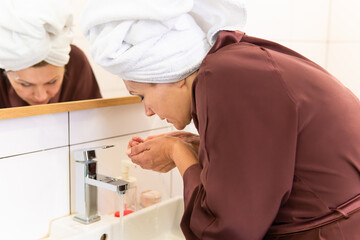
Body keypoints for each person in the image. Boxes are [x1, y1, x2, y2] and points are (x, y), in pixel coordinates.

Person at [81, 0, 360, 239]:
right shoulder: (234, 62)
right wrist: (201, 147)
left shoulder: (224, 77)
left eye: (141, 96)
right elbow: (275, 156)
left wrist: (177, 152)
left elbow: (227, 230)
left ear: (169, 75)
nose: (148, 111)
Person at [0, 0, 101, 108]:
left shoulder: (76, 61)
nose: (41, 97)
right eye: (25, 84)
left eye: (52, 82)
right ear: (5, 71)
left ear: (66, 67)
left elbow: (93, 119)